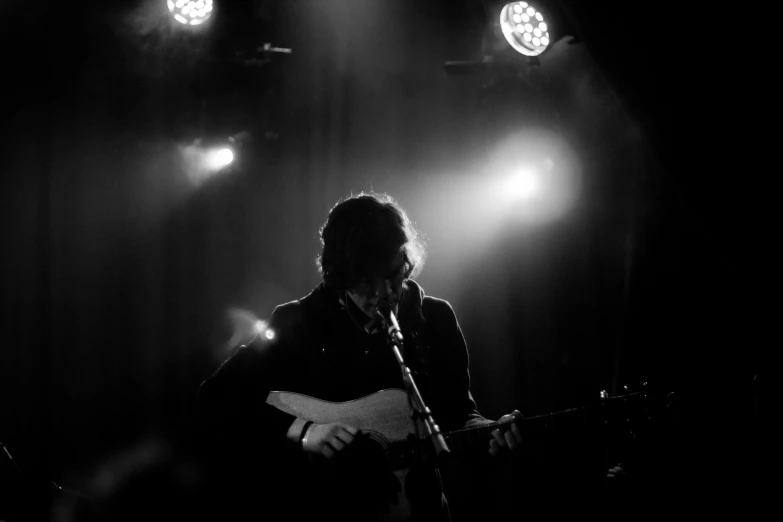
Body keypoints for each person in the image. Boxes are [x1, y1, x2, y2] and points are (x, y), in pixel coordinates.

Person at [196, 192, 522, 521]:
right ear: (340, 277)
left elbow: (460, 413)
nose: (386, 294)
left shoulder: (435, 318)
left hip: (421, 516)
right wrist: (305, 431)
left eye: (394, 276)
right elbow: (215, 397)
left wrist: (489, 432)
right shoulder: (296, 323)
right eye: (367, 283)